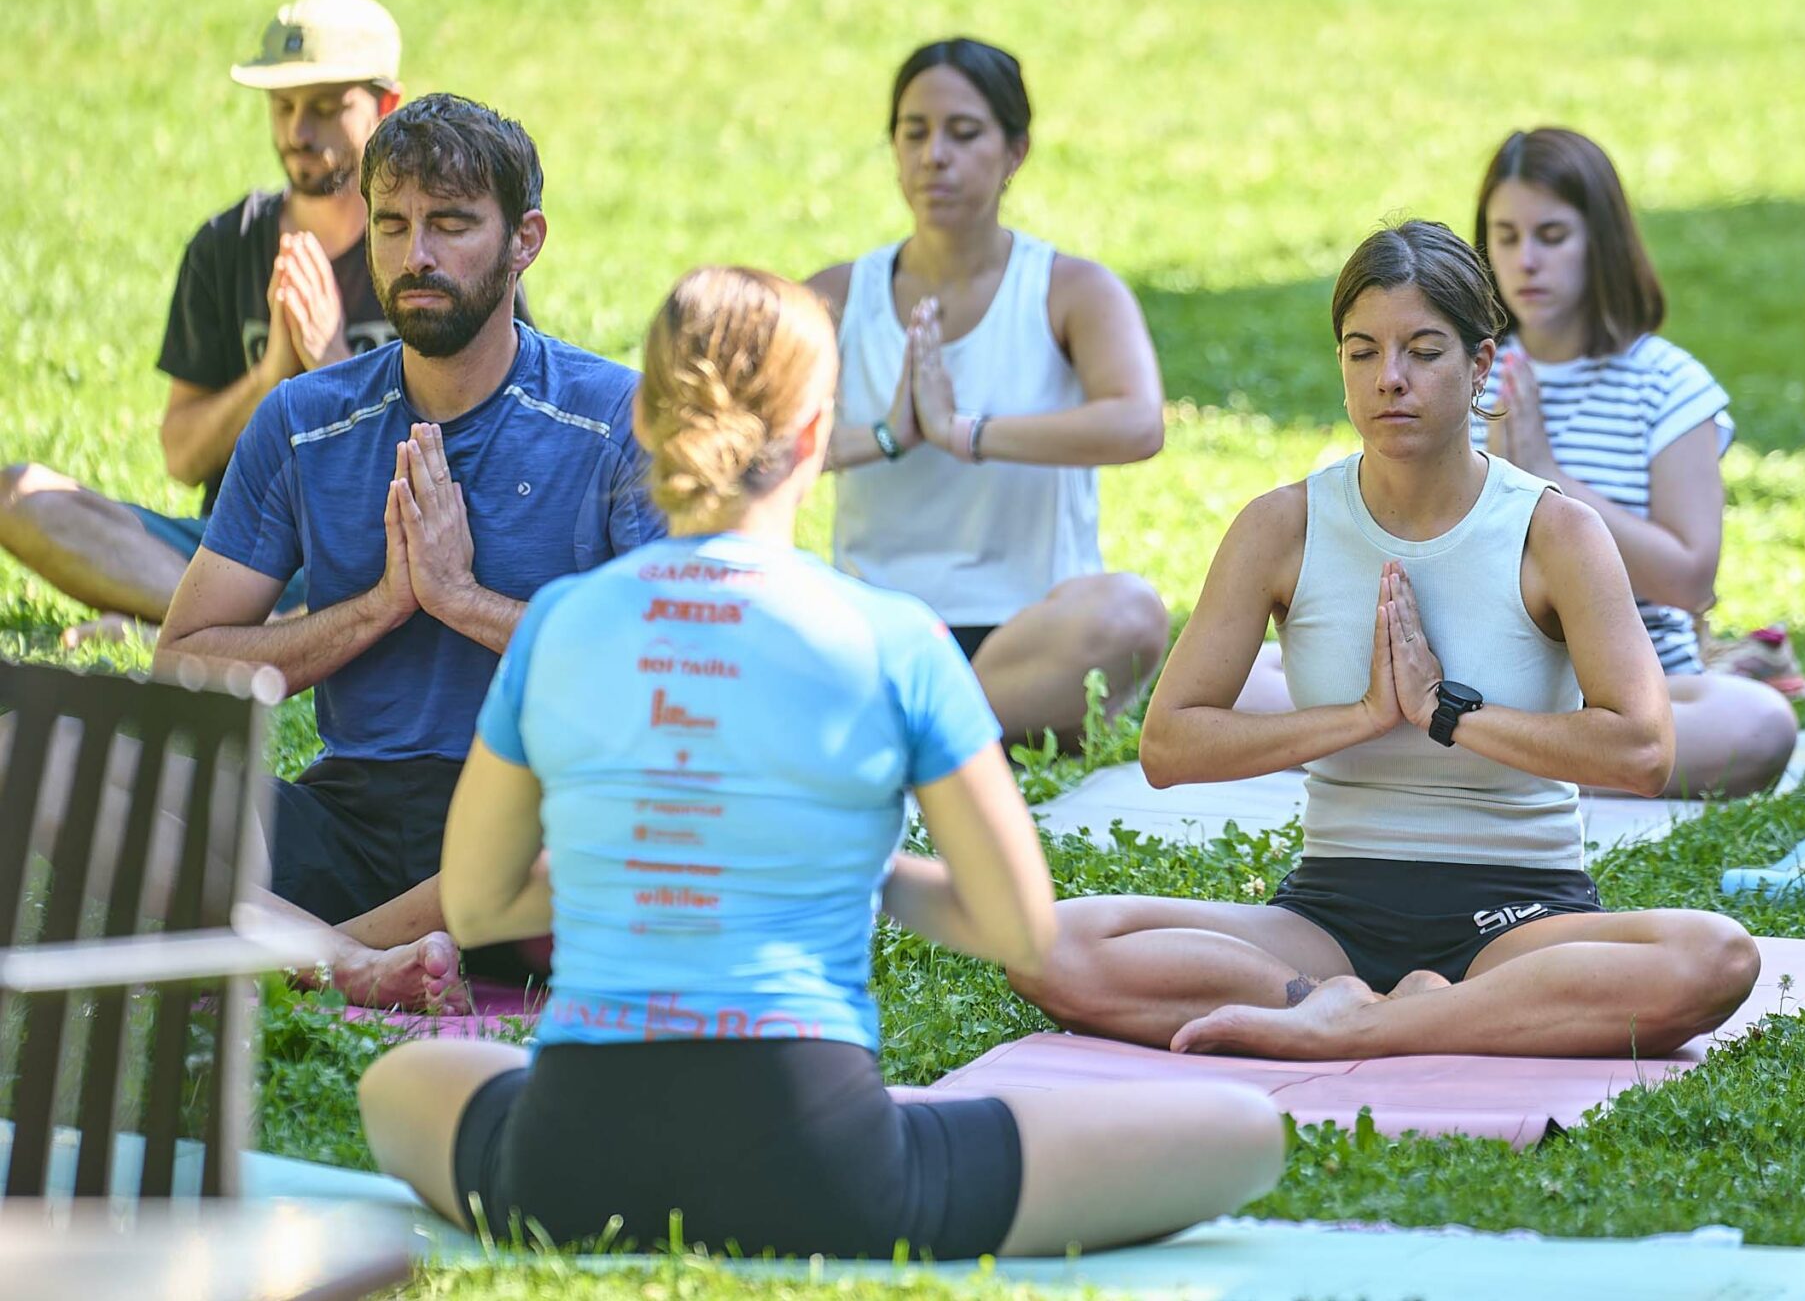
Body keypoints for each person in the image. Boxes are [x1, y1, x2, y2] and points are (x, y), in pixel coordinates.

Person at [356, 267, 1283, 1257]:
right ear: (814, 434)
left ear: (646, 418)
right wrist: (858, 873)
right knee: (1246, 1133)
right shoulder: (894, 635)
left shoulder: (558, 623)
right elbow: (1017, 922)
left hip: (569, 1162)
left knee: (397, 1081)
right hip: (823, 1164)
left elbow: (481, 906)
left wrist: (635, 868)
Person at [1008, 221, 1761, 1061]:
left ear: (1480, 365)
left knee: (1715, 957)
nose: (1390, 378)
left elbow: (1644, 751)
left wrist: (1446, 713)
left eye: (1424, 351)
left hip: (1520, 919)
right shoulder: (1283, 526)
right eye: (1362, 352)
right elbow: (1168, 746)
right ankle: (1344, 1007)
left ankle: (1354, 1024)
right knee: (1045, 942)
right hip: (1328, 918)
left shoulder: (1555, 532)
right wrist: (1364, 715)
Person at [155, 94, 662, 1009]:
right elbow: (185, 666)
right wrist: (380, 606)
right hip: (348, 814)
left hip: (525, 824)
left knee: (612, 838)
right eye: (391, 224)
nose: (415, 255)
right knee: (47, 759)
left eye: (452, 225)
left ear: (525, 240)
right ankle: (356, 963)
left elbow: (667, 667)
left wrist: (462, 599)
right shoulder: (303, 420)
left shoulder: (615, 420)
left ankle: (312, 952)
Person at [0, 0, 405, 644]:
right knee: (19, 495)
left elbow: (474, 464)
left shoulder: (424, 250)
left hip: (369, 548)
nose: (298, 133)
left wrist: (329, 362)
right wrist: (271, 376)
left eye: (326, 109)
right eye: (283, 106)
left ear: (386, 108)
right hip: (233, 551)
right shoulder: (225, 246)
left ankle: (196, 626)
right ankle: (252, 626)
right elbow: (183, 456)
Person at [808, 38, 1168, 748]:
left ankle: (907, 733)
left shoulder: (1071, 289)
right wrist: (887, 436)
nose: (934, 155)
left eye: (964, 133)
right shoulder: (834, 296)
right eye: (914, 133)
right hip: (876, 630)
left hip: (1031, 633)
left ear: (1015, 152)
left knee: (1130, 612)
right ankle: (950, 732)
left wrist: (964, 432)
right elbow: (736, 450)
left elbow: (1137, 424)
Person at [1475, 127, 1798, 796]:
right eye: (1506, 237)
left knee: (1761, 723)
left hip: (1638, 691)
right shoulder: (1462, 372)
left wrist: (1549, 481)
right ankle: (1513, 754)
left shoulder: (1667, 386)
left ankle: (1478, 760)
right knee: (1260, 676)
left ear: (1602, 241)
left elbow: (1690, 581)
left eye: (1552, 236)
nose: (1526, 261)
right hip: (1482, 681)